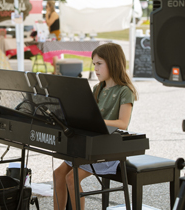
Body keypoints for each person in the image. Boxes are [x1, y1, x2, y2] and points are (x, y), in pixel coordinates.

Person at [53, 43, 138, 210]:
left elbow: (123, 123)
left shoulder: (125, 91)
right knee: (58, 174)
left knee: (71, 178)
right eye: (94, 64)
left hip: (108, 148)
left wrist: (97, 121)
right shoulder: (97, 88)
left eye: (99, 64)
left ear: (113, 63)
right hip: (90, 145)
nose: (95, 69)